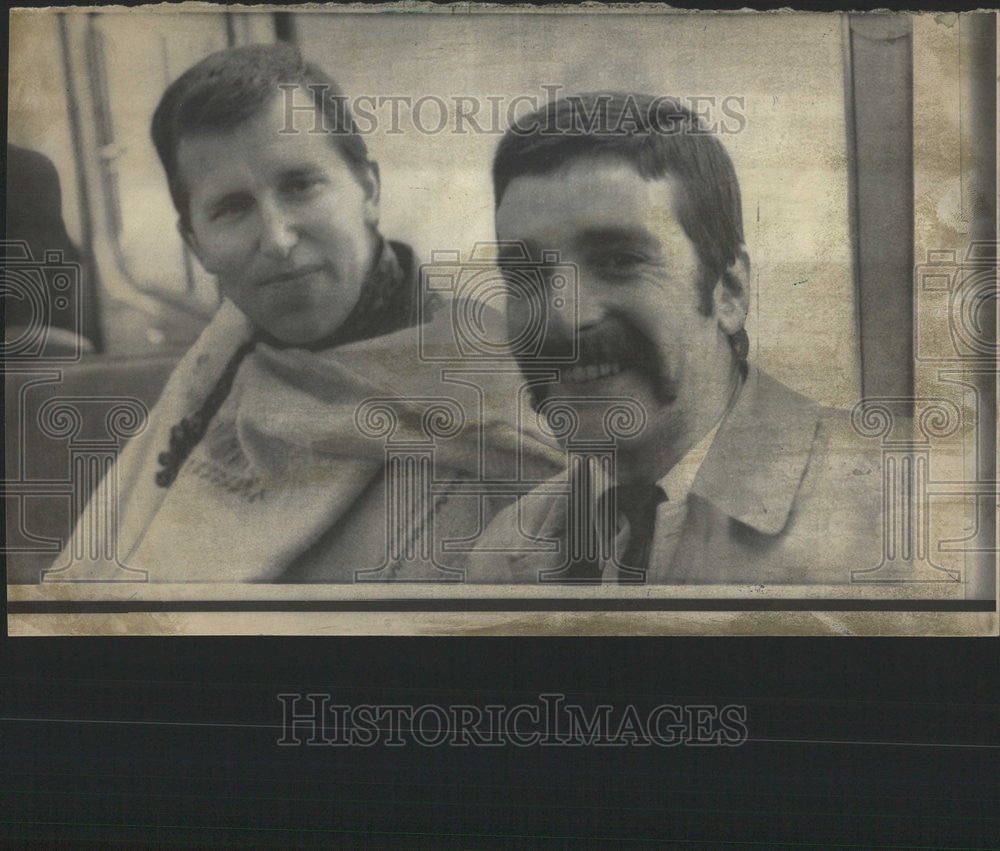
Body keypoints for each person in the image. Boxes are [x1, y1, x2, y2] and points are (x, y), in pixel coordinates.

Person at [52, 43, 559, 583]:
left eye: (299, 185)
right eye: (232, 208)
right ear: (195, 243)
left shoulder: (504, 391)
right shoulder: (219, 365)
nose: (277, 239)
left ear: (368, 188)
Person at [468, 92, 891, 585]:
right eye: (525, 275)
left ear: (729, 291)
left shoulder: (891, 518)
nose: (562, 318)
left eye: (619, 261)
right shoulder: (503, 553)